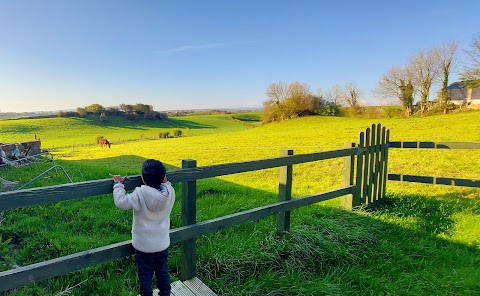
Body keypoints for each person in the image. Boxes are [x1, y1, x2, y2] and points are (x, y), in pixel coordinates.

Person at [110, 159, 175, 296]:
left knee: (145, 274)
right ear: (164, 177)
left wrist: (118, 184)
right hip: (162, 243)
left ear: (142, 179)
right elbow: (165, 183)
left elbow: (121, 202)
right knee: (162, 271)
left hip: (143, 245)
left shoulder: (139, 194)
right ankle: (165, 293)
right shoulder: (170, 193)